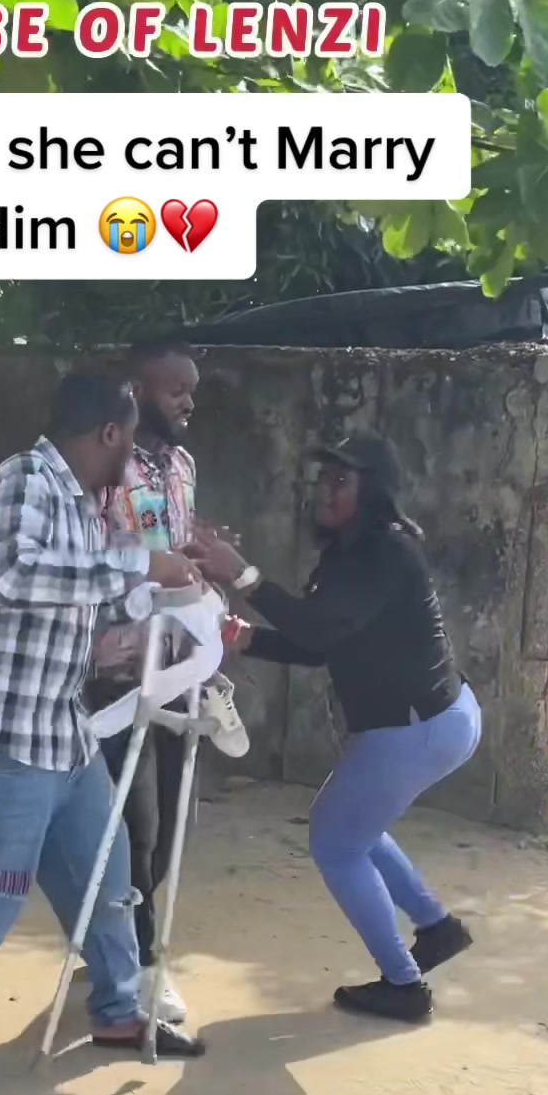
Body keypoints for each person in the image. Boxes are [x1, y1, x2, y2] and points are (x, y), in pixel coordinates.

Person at [0, 373, 207, 1095]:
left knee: (108, 876)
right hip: (0, 742)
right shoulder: (24, 480)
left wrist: (170, 606)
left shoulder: (81, 507)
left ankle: (118, 1012)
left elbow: (77, 605)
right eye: (129, 443)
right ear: (110, 434)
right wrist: (139, 561)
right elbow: (16, 574)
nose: (132, 460)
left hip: (59, 731)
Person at [187, 433, 480, 1024]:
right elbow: (322, 643)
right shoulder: (350, 557)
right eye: (322, 478)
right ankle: (436, 927)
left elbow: (319, 629)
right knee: (354, 826)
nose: (324, 490)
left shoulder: (386, 554)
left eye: (340, 480)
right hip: (436, 718)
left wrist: (243, 575)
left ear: (374, 491)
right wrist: (246, 639)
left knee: (336, 842)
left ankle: (404, 986)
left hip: (415, 727)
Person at [88, 339, 246, 1023]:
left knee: (172, 821)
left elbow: (171, 547)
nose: (188, 402)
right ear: (136, 389)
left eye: (192, 391)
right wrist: (163, 564)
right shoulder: (107, 466)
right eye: (175, 388)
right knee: (133, 823)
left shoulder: (181, 466)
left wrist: (199, 554)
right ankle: (138, 965)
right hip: (120, 667)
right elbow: (111, 555)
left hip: (180, 664)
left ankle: (132, 955)